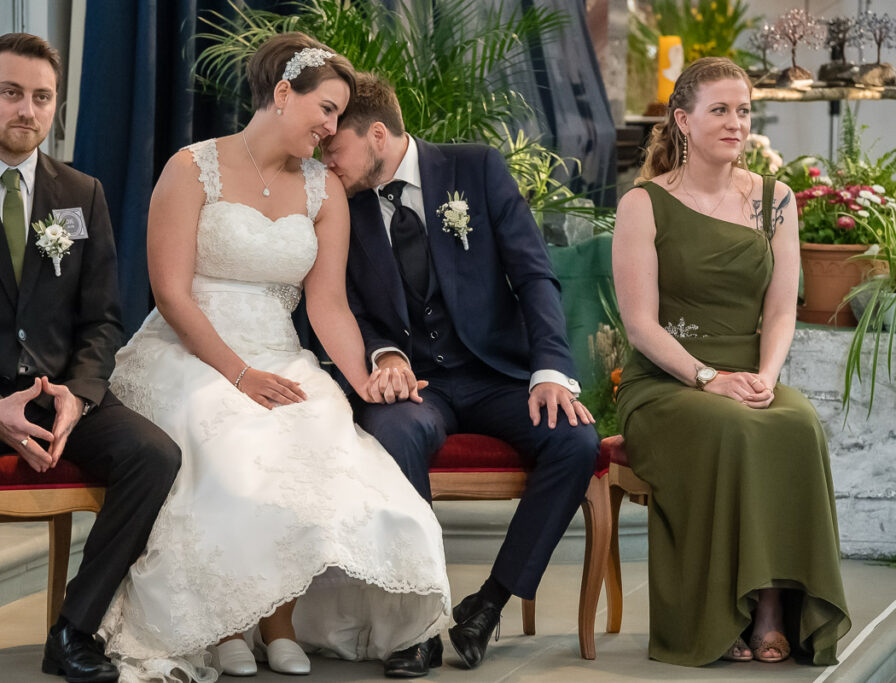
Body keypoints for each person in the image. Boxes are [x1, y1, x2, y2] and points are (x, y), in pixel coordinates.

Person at [96, 33, 450, 681]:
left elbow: (329, 308)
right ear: (283, 94)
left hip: (279, 356)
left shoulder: (323, 189)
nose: (330, 126)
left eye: (339, 115)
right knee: (230, 450)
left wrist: (363, 379)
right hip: (188, 353)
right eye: (325, 108)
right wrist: (239, 374)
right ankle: (227, 624)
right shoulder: (190, 167)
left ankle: (279, 620)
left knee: (319, 441)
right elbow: (171, 294)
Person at [0, 34, 181, 683]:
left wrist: (78, 392)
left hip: (54, 387)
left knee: (155, 455)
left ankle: (75, 629)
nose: (27, 109)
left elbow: (103, 318)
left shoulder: (83, 193)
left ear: (54, 107)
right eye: (12, 92)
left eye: (41, 97)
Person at [321, 73, 600, 672]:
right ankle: (417, 623)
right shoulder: (338, 203)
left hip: (495, 372)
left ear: (375, 134)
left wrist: (550, 369)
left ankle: (487, 605)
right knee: (394, 435)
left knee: (575, 440)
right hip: (414, 384)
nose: (325, 160)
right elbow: (335, 302)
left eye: (333, 147)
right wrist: (380, 355)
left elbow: (533, 275)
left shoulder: (476, 169)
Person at [612, 57, 851, 666]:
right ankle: (726, 616)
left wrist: (767, 376)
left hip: (750, 374)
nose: (736, 122)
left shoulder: (776, 200)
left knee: (796, 423)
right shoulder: (643, 204)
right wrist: (708, 378)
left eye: (743, 110)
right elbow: (640, 326)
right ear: (682, 121)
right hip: (667, 382)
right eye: (719, 109)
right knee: (734, 427)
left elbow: (780, 311)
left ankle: (772, 608)